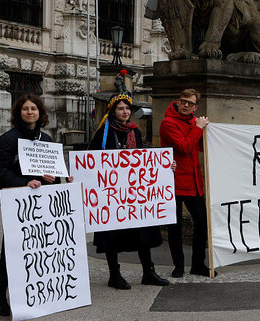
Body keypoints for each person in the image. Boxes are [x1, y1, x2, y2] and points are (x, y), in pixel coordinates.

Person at [0, 93, 68, 316]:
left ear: (40, 113)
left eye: (33, 108)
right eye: (25, 109)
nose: (30, 112)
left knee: (39, 248)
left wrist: (55, 179)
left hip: (41, 203)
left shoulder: (47, 139)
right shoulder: (8, 139)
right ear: (18, 113)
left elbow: (53, 171)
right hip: (18, 201)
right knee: (12, 250)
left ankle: (37, 293)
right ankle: (1, 297)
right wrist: (25, 182)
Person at [89, 93, 170, 289]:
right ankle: (114, 274)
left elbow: (142, 159)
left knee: (143, 230)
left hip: (133, 193)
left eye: (127, 108)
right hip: (112, 193)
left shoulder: (135, 131)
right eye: (120, 108)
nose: (125, 112)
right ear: (112, 111)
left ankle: (148, 272)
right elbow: (92, 160)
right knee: (112, 233)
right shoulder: (104, 132)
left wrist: (164, 167)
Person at [160, 89, 211, 277]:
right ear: (178, 101)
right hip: (173, 182)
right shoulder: (167, 123)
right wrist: (198, 128)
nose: (186, 105)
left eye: (190, 103)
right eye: (183, 101)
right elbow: (184, 146)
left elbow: (200, 147)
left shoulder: (194, 122)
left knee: (202, 223)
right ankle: (178, 266)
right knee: (175, 227)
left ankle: (198, 263)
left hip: (194, 181)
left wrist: (205, 131)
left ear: (195, 107)